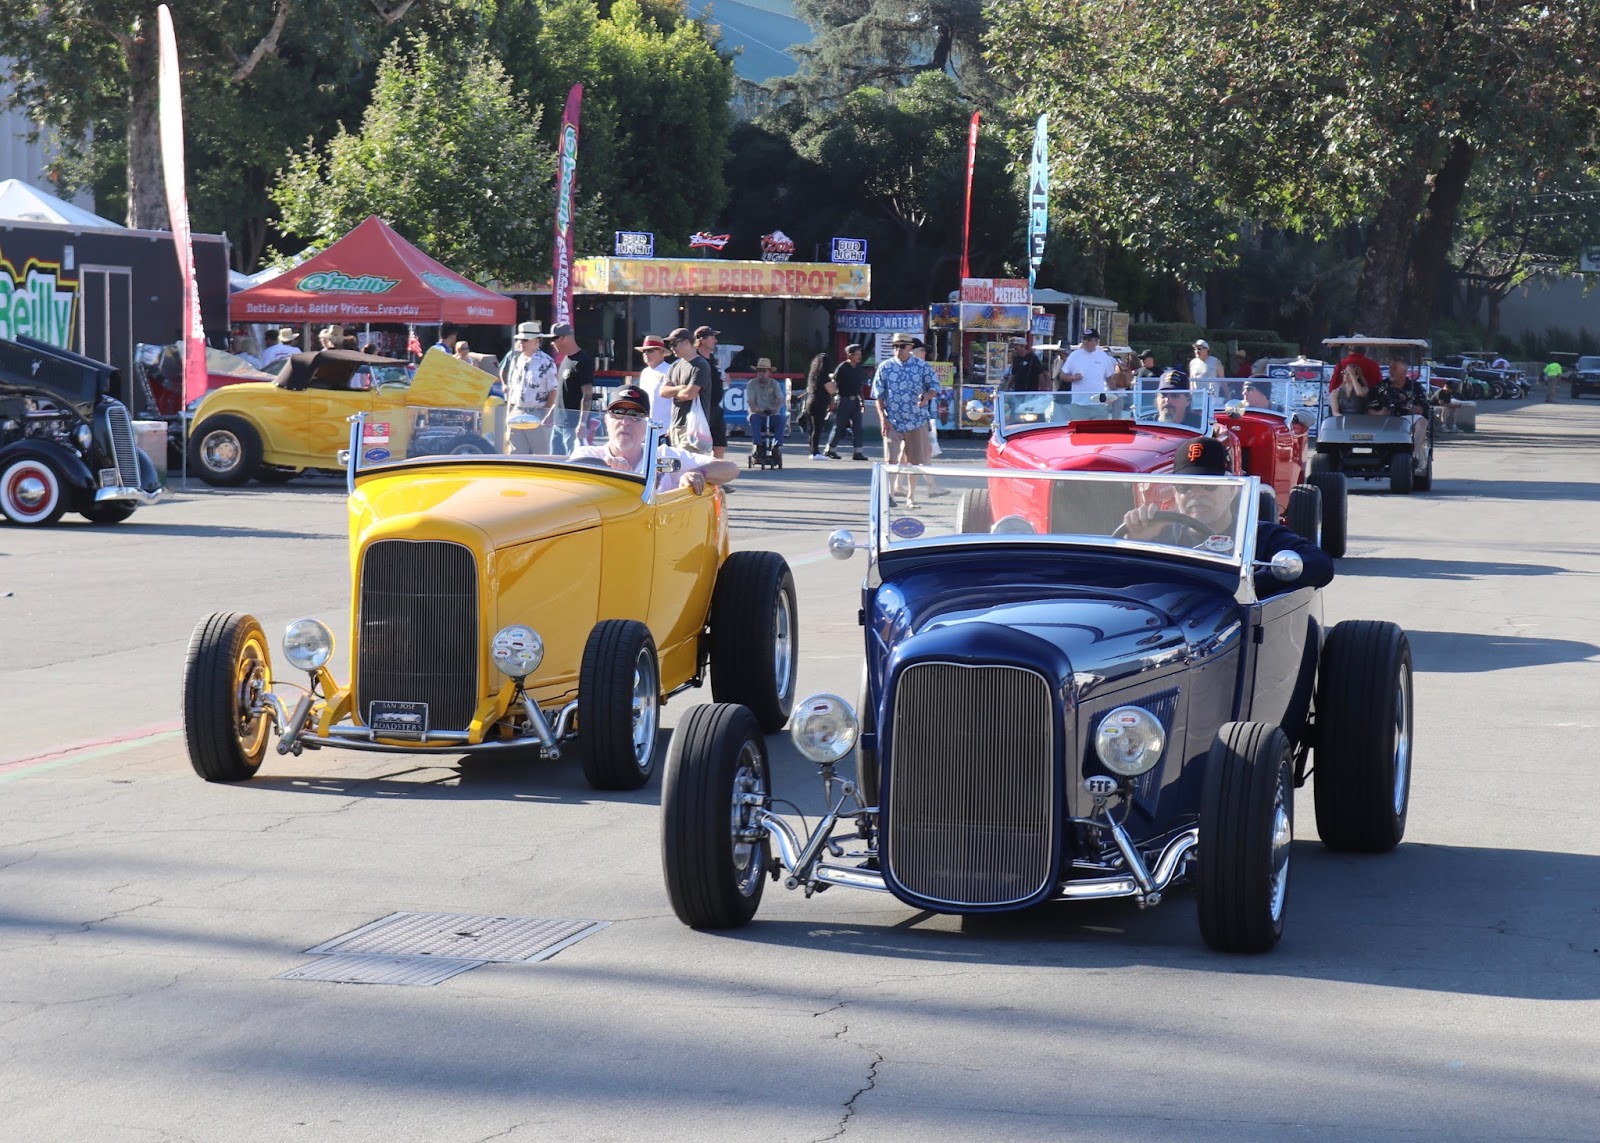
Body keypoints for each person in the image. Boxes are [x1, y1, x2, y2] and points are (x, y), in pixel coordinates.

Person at [1120, 435, 1334, 597]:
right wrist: (1135, 545)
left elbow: (1320, 565)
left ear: (1232, 490)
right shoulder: (1159, 536)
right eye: (1185, 486)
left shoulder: (1259, 536)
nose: (1197, 493)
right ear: (1175, 493)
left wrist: (1245, 582)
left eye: (1209, 486)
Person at [566, 385, 737, 494]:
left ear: (646, 423)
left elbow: (731, 468)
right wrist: (610, 473)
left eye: (635, 416)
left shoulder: (663, 456)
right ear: (606, 420)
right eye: (618, 414)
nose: (625, 422)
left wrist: (698, 473)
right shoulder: (589, 455)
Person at [872, 331, 943, 505]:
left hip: (916, 420)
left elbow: (935, 387)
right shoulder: (885, 367)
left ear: (910, 347)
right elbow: (878, 395)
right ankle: (889, 495)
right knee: (891, 460)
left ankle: (911, 497)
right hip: (893, 420)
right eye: (895, 346)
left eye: (901, 346)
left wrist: (926, 396)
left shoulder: (921, 366)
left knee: (915, 462)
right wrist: (883, 418)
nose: (898, 350)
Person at [502, 322, 558, 453]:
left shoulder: (547, 362)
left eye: (525, 340)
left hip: (537, 413)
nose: (521, 342)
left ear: (537, 342)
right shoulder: (517, 359)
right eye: (520, 339)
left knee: (541, 457)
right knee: (516, 456)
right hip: (517, 412)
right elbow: (512, 387)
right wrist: (509, 412)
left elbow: (553, 390)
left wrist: (545, 414)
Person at [660, 328, 715, 454]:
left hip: (693, 427)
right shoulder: (675, 365)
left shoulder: (701, 365)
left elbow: (689, 394)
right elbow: (663, 392)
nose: (672, 348)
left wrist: (674, 391)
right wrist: (681, 388)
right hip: (675, 425)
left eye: (674, 343)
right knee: (676, 469)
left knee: (690, 468)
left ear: (686, 342)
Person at [549, 322, 592, 454]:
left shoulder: (583, 361)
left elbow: (587, 395)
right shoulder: (565, 360)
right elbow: (562, 391)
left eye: (553, 339)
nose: (552, 343)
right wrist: (551, 413)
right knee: (554, 463)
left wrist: (583, 423)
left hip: (573, 424)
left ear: (563, 338)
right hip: (558, 423)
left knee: (575, 462)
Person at [826, 343, 868, 459]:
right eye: (857, 354)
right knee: (840, 426)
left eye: (860, 354)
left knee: (858, 427)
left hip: (855, 402)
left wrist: (862, 402)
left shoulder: (859, 369)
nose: (859, 357)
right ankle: (830, 449)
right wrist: (832, 401)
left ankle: (858, 452)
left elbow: (860, 387)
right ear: (850, 355)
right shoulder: (842, 368)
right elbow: (834, 384)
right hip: (843, 401)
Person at [694, 325, 728, 460]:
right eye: (712, 337)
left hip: (715, 406)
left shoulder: (713, 360)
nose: (715, 340)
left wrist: (724, 379)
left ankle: (715, 476)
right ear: (702, 340)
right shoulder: (695, 360)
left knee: (720, 444)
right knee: (697, 445)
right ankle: (695, 474)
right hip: (700, 407)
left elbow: (718, 376)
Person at [744, 358, 787, 462]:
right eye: (759, 371)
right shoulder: (752, 384)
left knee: (781, 419)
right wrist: (757, 409)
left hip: (771, 414)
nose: (761, 373)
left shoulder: (774, 383)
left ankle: (776, 446)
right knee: (754, 418)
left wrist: (776, 408)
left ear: (769, 372)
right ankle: (758, 445)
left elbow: (780, 398)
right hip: (758, 414)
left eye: (764, 371)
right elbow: (751, 401)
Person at [1059, 328, 1118, 396]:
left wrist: (1115, 394)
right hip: (1078, 402)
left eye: (1089, 340)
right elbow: (1062, 375)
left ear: (1096, 342)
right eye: (1084, 338)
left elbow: (1109, 378)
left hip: (1097, 401)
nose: (1086, 341)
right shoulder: (1074, 355)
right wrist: (1073, 377)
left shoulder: (1103, 356)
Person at [1328, 344, 1383, 415]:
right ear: (1365, 350)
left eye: (1349, 374)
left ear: (1350, 350)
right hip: (1343, 420)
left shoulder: (1341, 364)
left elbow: (1360, 392)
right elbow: (1379, 384)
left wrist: (1354, 376)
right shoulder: (1373, 365)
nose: (1346, 375)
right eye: (1345, 373)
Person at [634, 335, 673, 429]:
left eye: (650, 350)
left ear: (662, 352)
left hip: (666, 428)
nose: (646, 354)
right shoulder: (645, 372)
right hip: (646, 427)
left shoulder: (671, 370)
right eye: (644, 351)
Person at [803, 352, 835, 459]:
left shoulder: (813, 376)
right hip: (820, 402)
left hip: (810, 400)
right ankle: (815, 452)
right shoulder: (824, 376)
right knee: (818, 428)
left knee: (812, 428)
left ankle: (812, 450)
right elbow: (832, 390)